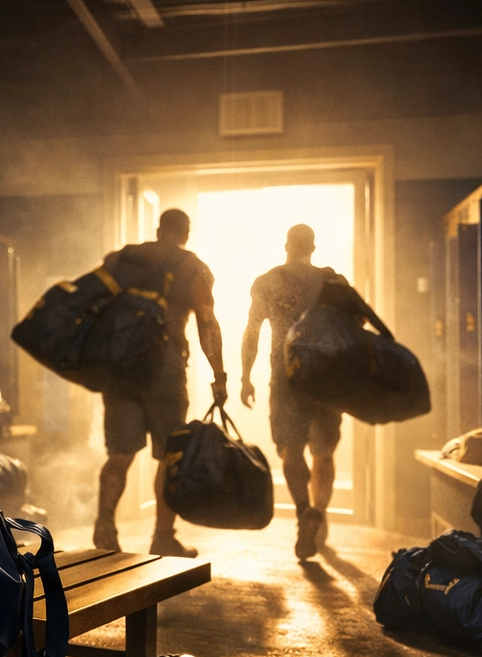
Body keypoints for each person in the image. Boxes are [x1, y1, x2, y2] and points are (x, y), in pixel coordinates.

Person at [93, 209, 227, 557]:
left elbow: (94, 308)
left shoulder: (124, 260)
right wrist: (219, 375)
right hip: (164, 370)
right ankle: (163, 537)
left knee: (119, 454)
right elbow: (207, 322)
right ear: (185, 234)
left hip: (119, 368)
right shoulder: (192, 267)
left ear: (158, 230)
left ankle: (104, 525)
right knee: (170, 456)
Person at [240, 223, 346, 561]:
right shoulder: (332, 282)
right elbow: (353, 331)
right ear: (312, 248)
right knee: (324, 452)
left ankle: (303, 514)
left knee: (291, 449)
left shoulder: (267, 282)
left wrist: (245, 377)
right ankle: (319, 514)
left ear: (286, 246)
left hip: (286, 378)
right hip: (327, 378)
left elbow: (252, 332)